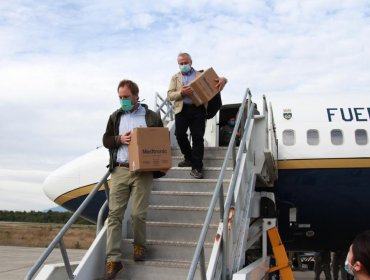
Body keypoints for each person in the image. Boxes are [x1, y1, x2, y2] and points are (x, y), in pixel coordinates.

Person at [102, 79, 163, 280]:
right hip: (119, 170)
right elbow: (106, 140)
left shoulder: (151, 116)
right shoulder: (115, 116)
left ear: (136, 96)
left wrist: (159, 167)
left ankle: (139, 246)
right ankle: (113, 260)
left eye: (126, 97)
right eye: (120, 97)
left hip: (142, 172)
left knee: (138, 214)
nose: (122, 101)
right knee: (114, 216)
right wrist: (120, 139)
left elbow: (161, 141)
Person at [167, 52, 227, 179]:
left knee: (197, 138)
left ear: (191, 62)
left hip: (198, 109)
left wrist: (224, 80)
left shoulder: (200, 75)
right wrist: (181, 93)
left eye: (185, 63)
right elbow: (170, 95)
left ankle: (197, 168)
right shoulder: (175, 78)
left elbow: (220, 81)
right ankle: (188, 157)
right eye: (181, 63)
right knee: (179, 135)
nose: (183, 65)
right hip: (181, 110)